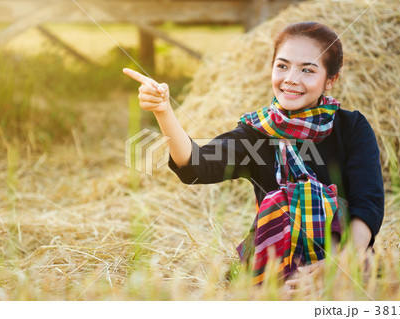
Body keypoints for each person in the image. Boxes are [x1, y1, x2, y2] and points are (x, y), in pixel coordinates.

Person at [123, 22, 384, 292]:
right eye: (282, 66)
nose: (291, 79)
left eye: (307, 70)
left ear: (331, 79)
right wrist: (164, 111)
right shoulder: (257, 133)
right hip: (277, 271)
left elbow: (369, 203)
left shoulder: (351, 127)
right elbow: (197, 164)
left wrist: (341, 263)